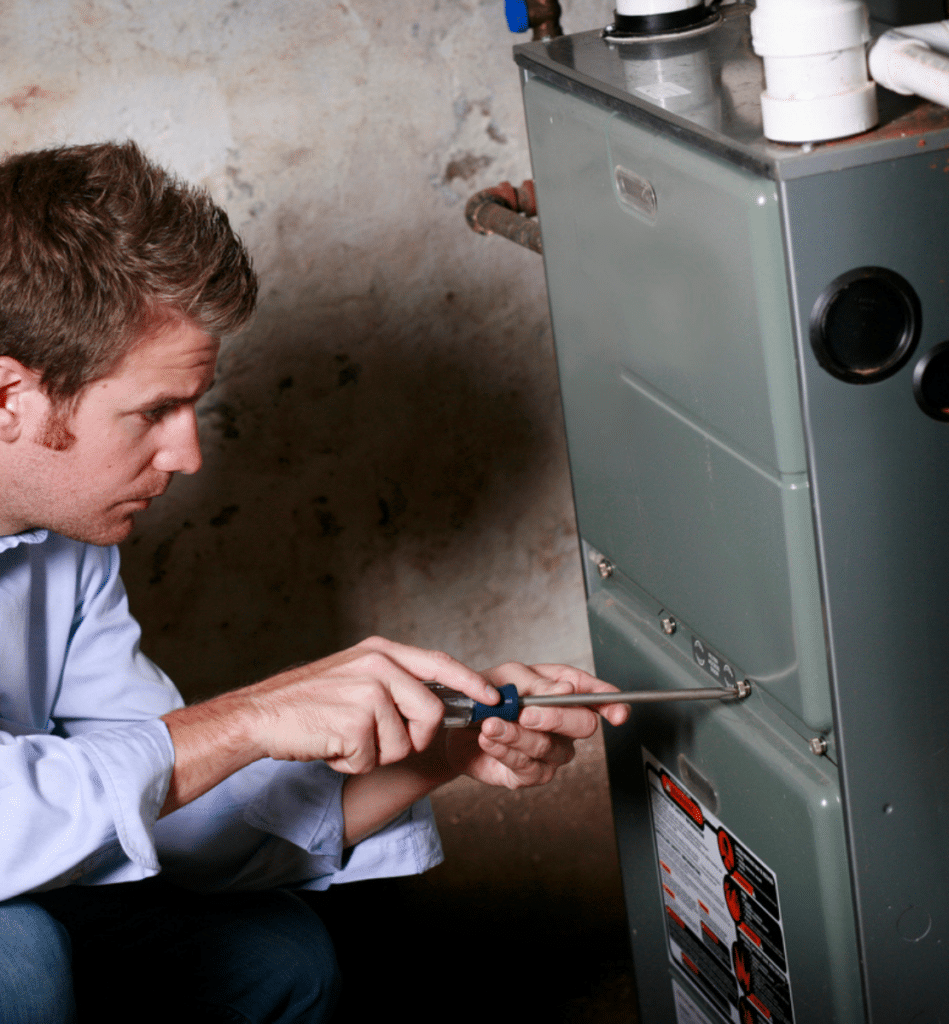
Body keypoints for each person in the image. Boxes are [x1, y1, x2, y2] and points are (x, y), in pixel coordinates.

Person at [0, 141, 628, 1024]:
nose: (186, 456)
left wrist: (449, 745)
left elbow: (166, 810)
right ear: (8, 399)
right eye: (152, 413)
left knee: (276, 958)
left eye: (191, 410)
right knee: (19, 961)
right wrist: (252, 715)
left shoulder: (69, 544)